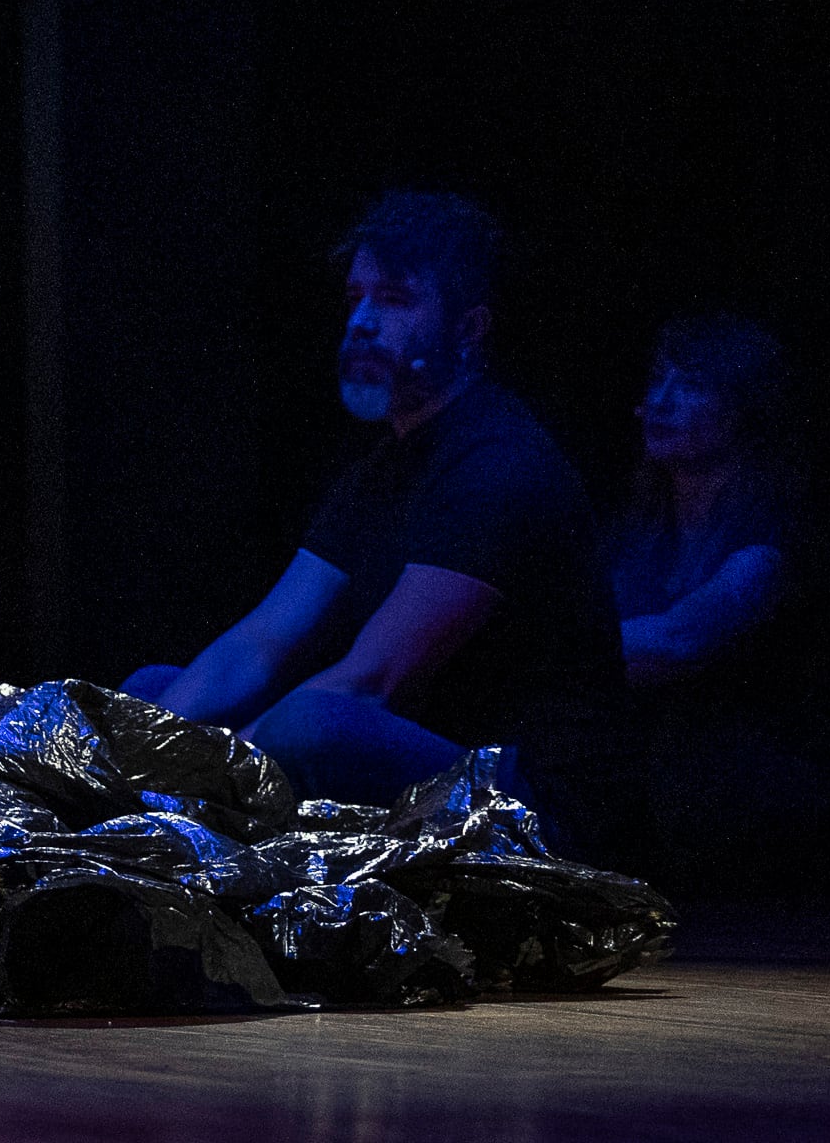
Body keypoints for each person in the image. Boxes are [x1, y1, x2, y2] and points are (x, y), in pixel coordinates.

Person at [127, 193, 636, 857]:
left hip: (530, 803)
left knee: (314, 723)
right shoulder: (383, 465)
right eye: (356, 299)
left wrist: (207, 774)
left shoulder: (498, 465)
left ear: (468, 329)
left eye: (394, 301)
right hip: (432, 763)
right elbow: (263, 642)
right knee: (153, 693)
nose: (363, 322)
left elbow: (374, 678)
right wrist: (134, 760)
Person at [606, 314, 829, 880]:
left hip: (738, 792)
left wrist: (542, 643)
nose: (661, 400)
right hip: (657, 784)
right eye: (658, 379)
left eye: (693, 384)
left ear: (744, 409)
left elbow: (681, 641)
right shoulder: (632, 533)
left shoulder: (769, 538)